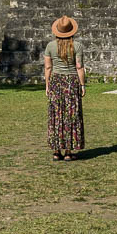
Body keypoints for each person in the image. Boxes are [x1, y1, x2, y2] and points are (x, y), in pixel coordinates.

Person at [43, 15, 85, 161]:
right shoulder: (77, 46)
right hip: (72, 82)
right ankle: (68, 151)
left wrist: (47, 85)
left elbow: (48, 67)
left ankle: (56, 151)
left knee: (56, 114)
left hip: (56, 81)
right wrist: (82, 84)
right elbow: (79, 67)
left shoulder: (50, 46)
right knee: (71, 115)